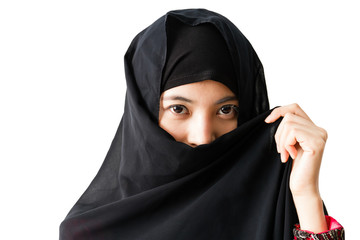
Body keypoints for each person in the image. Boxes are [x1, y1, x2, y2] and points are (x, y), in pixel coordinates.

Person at [60, 9, 344, 240]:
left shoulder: (278, 203)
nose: (204, 136)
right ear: (143, 111)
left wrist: (306, 195)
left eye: (226, 110)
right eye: (179, 109)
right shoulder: (90, 232)